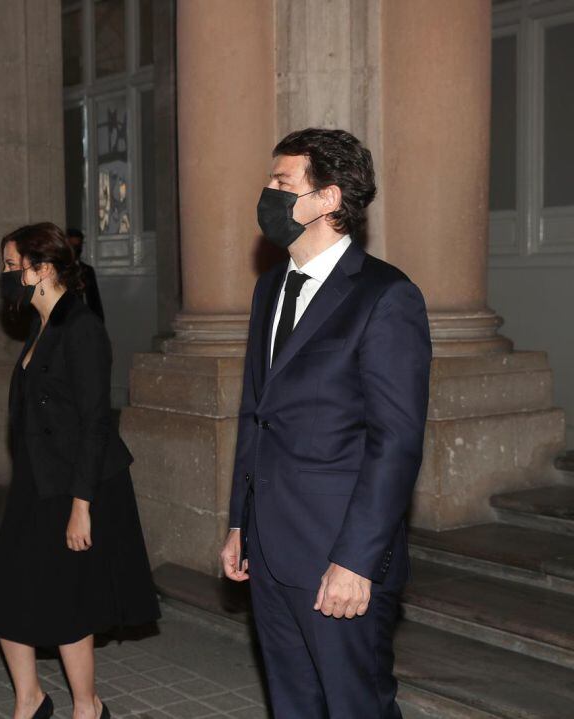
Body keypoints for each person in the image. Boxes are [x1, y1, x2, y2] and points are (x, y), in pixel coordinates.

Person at [219, 128, 431, 718]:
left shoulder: (386, 297)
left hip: (339, 554)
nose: (268, 193)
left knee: (354, 706)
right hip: (270, 546)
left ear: (329, 199)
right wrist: (241, 520)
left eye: (282, 182)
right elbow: (253, 414)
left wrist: (357, 561)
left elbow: (396, 443)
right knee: (292, 705)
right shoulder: (270, 289)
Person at [0, 223, 160, 719]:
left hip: (76, 485)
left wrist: (81, 508)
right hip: (36, 482)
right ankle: (30, 700)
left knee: (67, 601)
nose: (5, 276)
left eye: (11, 266)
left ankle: (89, 707)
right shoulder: (41, 326)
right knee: (8, 595)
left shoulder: (81, 329)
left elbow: (94, 424)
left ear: (41, 269)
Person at [64, 228, 104, 322]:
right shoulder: (61, 270)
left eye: (78, 246)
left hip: (86, 318)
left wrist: (99, 321)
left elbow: (95, 300)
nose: (75, 250)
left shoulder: (88, 270)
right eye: (72, 246)